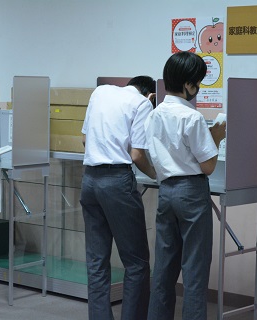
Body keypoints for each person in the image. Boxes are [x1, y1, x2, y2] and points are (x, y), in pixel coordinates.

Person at [144, 51, 226, 320]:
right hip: (191, 193)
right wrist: (218, 136)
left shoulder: (155, 115)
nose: (198, 88)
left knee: (164, 270)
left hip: (166, 192)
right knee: (195, 271)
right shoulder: (193, 118)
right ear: (189, 85)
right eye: (198, 82)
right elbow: (208, 166)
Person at [80, 76, 157, 320]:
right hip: (117, 183)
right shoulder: (143, 104)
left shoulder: (100, 93)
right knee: (136, 263)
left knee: (96, 262)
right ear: (151, 96)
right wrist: (159, 176)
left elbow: (84, 138)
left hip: (89, 180)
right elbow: (137, 155)